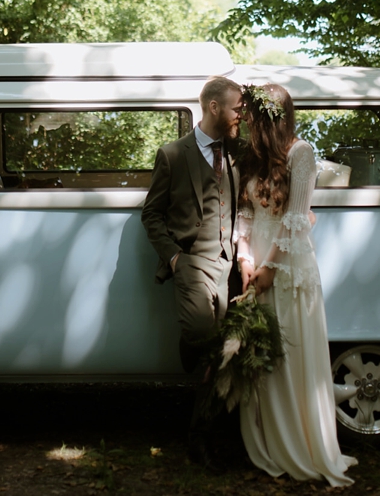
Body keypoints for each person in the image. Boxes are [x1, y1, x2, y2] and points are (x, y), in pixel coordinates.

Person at [235, 83, 356, 486]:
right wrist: (246, 258)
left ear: (270, 117)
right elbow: (245, 213)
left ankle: (303, 446)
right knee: (264, 353)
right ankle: (270, 442)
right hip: (258, 262)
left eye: (253, 114)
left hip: (289, 266)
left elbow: (297, 218)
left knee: (290, 351)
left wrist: (270, 267)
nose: (247, 120)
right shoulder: (251, 158)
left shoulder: (300, 154)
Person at [141, 75, 242, 470]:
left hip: (232, 264)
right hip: (191, 260)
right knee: (205, 336)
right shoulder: (172, 154)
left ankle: (203, 437)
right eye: (236, 109)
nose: (240, 117)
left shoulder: (240, 152)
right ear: (214, 107)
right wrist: (173, 258)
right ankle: (193, 338)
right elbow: (151, 213)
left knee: (222, 354)